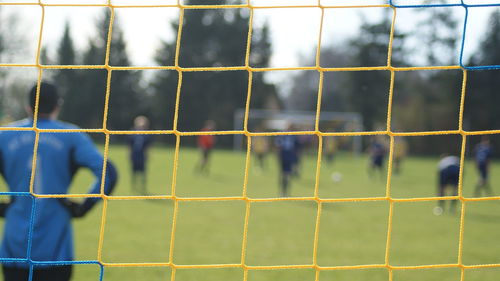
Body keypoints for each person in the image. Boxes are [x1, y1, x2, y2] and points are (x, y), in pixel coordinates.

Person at [0, 82, 117, 281]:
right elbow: (109, 172)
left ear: (29, 106)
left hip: (14, 248)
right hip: (56, 250)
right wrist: (84, 207)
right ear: (57, 105)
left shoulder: (5, 135)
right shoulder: (70, 136)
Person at [128, 116, 153, 195]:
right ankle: (134, 185)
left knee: (143, 172)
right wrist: (129, 154)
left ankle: (143, 186)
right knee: (133, 171)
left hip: (142, 155)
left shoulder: (147, 134)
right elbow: (129, 145)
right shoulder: (132, 133)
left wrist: (148, 155)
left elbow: (148, 146)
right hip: (134, 155)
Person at [275, 129, 301, 197]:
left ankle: (286, 192)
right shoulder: (282, 136)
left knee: (287, 175)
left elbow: (298, 147)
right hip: (283, 157)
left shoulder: (294, 137)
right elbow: (277, 145)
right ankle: (282, 191)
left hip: (289, 157)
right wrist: (277, 155)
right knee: (283, 174)